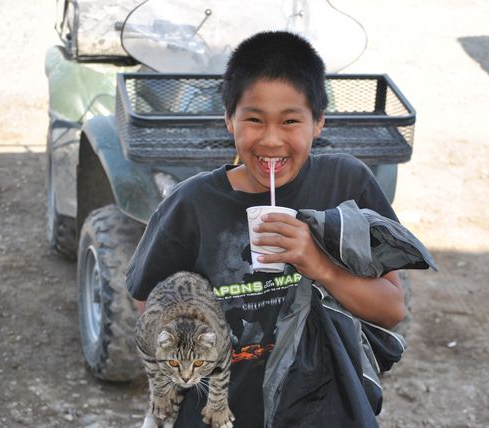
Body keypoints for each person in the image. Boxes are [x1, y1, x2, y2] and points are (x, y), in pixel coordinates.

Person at [126, 30, 405, 427]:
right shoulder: (192, 205)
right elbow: (147, 301)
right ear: (229, 119)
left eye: (290, 121)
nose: (271, 140)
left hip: (324, 412)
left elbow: (392, 310)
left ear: (319, 122)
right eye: (254, 120)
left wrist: (318, 264)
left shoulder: (347, 186)